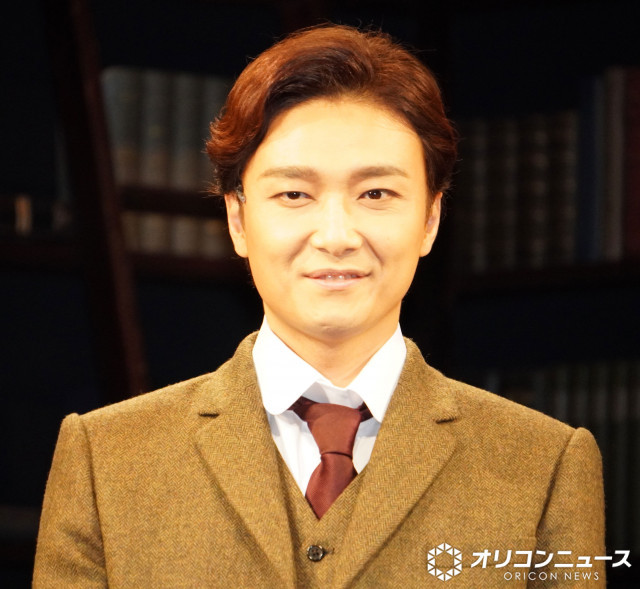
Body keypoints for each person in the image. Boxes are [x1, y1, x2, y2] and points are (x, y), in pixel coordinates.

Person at [33, 24, 605, 588]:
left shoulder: (545, 465)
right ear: (238, 219)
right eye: (294, 194)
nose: (336, 236)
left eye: (376, 194)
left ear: (431, 219)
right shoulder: (106, 459)